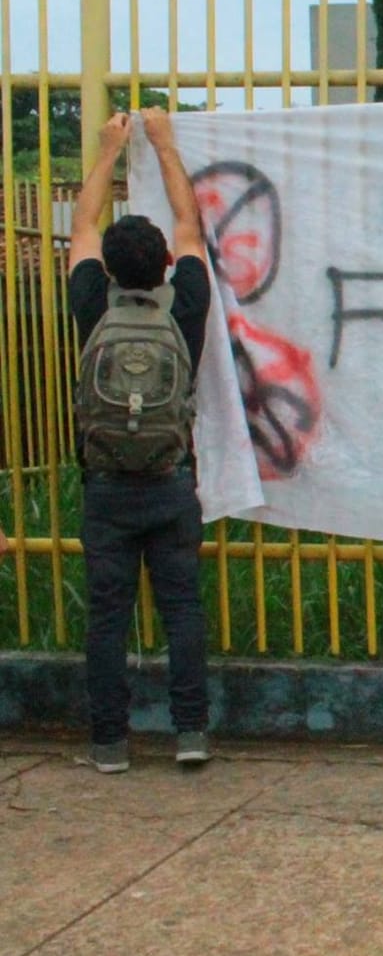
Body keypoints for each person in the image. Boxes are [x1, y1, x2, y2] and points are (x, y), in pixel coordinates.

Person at [69, 109, 214, 774]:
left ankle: (109, 743)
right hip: (169, 479)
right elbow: (191, 225)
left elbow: (81, 225)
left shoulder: (91, 302)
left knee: (108, 616)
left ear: (110, 268)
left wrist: (108, 149)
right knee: (181, 606)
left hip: (106, 487)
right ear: (162, 264)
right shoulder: (183, 304)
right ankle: (190, 732)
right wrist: (164, 145)